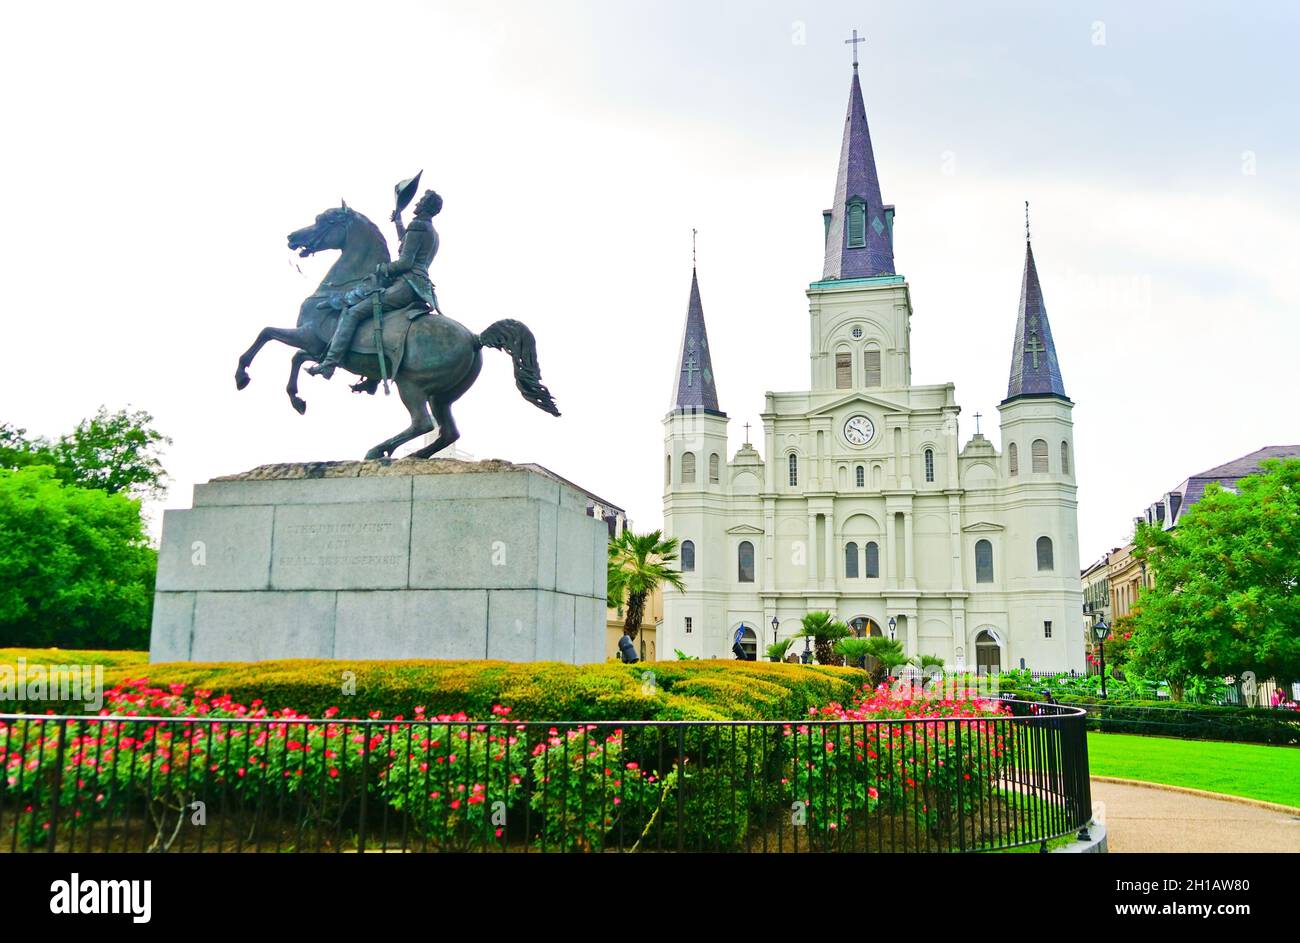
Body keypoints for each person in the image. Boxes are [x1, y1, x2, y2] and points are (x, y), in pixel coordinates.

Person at [308, 189, 443, 379]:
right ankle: (371, 377)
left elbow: (405, 262)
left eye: (420, 201)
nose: (416, 204)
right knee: (377, 317)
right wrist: (398, 221)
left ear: (426, 206)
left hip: (405, 285)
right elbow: (408, 243)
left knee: (354, 311)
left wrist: (383, 268)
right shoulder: (432, 232)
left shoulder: (417, 226)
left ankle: (329, 363)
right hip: (421, 288)